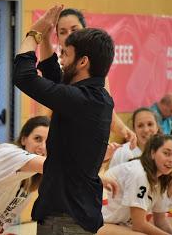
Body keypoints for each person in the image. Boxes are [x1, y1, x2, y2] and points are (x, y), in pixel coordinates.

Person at [14, 5, 114, 234]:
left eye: (65, 55)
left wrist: (34, 33)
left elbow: (24, 77)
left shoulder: (81, 99)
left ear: (83, 62)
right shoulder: (95, 97)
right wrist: (47, 38)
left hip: (64, 221)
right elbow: (54, 77)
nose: (61, 59)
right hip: (72, 216)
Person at [39, 8, 137, 147]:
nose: (68, 35)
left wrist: (124, 130)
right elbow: (44, 114)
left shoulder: (96, 71)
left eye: (74, 29)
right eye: (62, 32)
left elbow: (107, 111)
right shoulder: (56, 69)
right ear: (57, 37)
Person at [98, 134, 172, 235]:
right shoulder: (139, 173)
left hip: (119, 223)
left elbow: (160, 221)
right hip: (98, 223)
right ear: (152, 153)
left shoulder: (161, 179)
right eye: (166, 153)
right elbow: (139, 225)